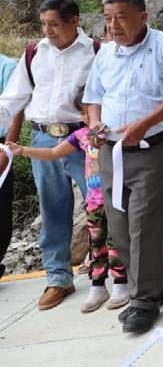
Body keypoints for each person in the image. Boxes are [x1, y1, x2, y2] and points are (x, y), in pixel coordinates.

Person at [84, 0, 163, 334]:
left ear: (142, 17)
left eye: (121, 17)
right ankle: (151, 286)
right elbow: (93, 96)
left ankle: (144, 301)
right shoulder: (106, 53)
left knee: (144, 224)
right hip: (111, 150)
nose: (113, 25)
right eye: (108, 18)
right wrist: (94, 123)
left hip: (152, 147)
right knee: (119, 225)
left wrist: (144, 124)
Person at [0, 0, 98, 309]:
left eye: (54, 24)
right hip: (43, 139)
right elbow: (12, 100)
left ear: (74, 21)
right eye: (43, 24)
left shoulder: (96, 52)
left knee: (101, 206)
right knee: (52, 208)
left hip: (84, 139)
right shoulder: (34, 53)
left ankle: (111, 271)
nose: (47, 30)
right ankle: (58, 278)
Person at [10, 91, 129, 313]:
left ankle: (121, 283)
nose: (88, 117)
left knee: (116, 241)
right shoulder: (81, 136)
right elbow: (53, 153)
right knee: (96, 243)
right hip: (94, 202)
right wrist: (23, 150)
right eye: (83, 113)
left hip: (115, 198)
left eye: (93, 112)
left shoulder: (114, 134)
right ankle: (98, 285)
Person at [0, 53, 22, 281]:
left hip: (0, 145)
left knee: (1, 207)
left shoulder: (7, 67)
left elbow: (16, 111)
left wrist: (6, 150)